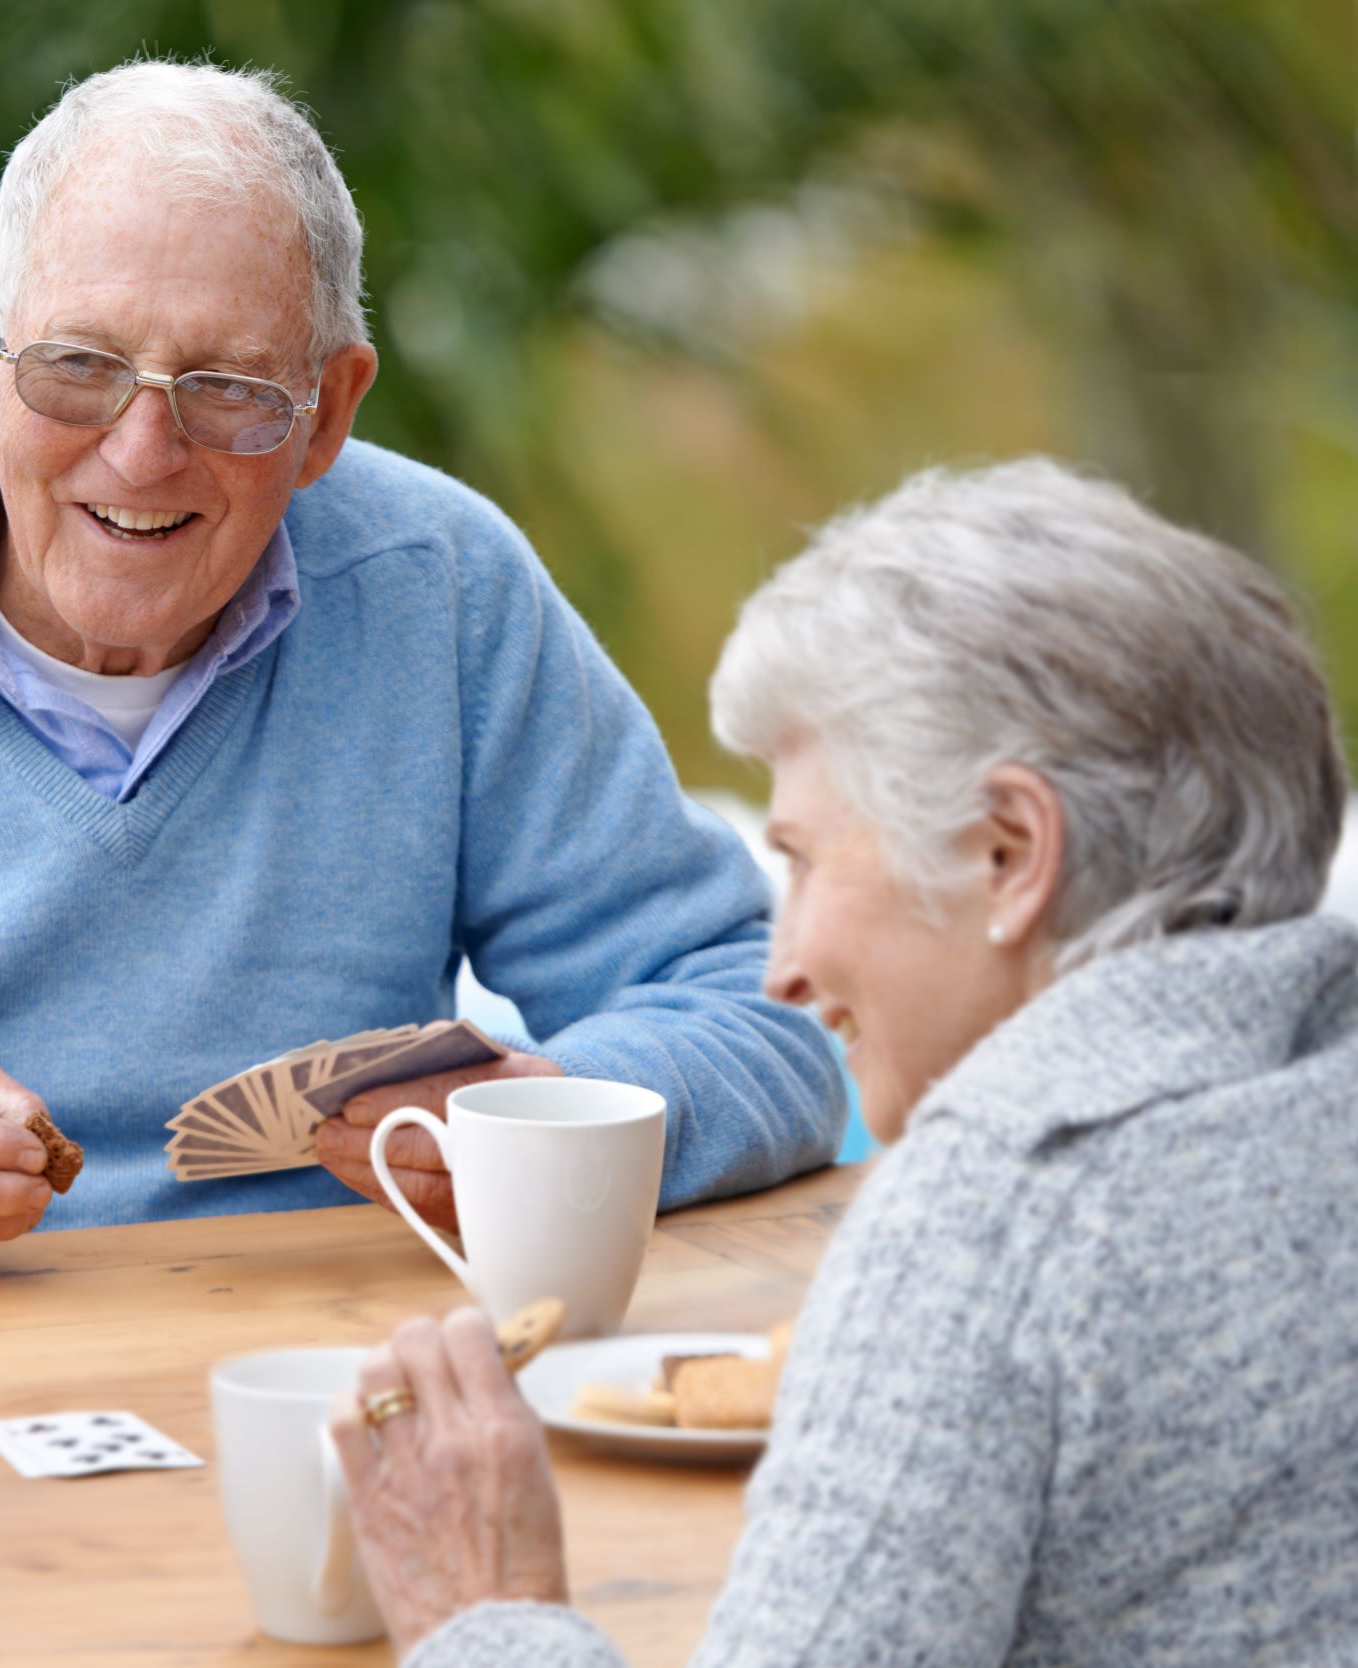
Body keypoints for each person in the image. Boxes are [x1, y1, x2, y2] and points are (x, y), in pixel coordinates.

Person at [0, 58, 848, 1273]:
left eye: (231, 389)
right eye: (80, 368)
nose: (144, 454)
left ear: (328, 411)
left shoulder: (440, 589)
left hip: (336, 1381)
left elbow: (772, 1015)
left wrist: (546, 1116)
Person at [329, 460, 1358, 1665]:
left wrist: (480, 1612)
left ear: (1010, 853)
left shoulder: (997, 1218)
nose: (784, 967)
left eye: (805, 861)